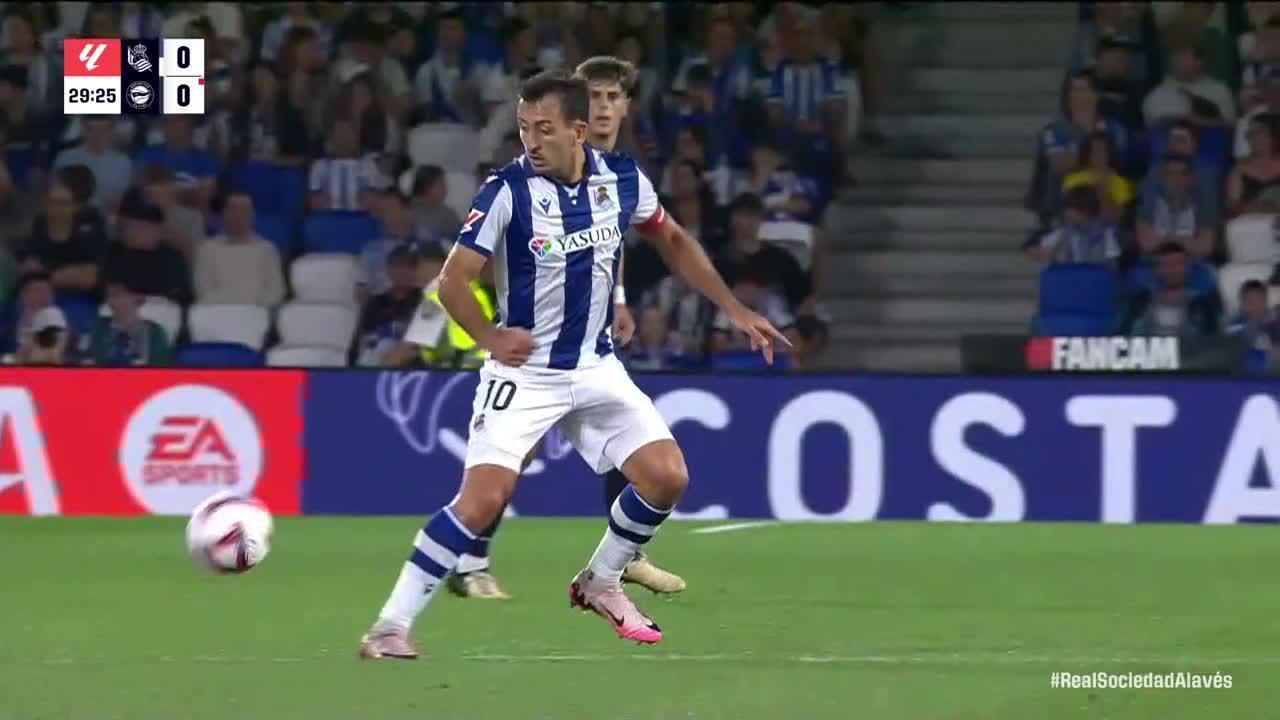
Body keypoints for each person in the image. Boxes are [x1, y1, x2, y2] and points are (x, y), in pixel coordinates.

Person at [358, 70, 787, 659]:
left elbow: (675, 242)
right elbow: (453, 281)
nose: (531, 141)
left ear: (578, 131)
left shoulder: (622, 179)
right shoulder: (506, 190)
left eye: (545, 129)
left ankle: (601, 580)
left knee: (667, 476)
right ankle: (390, 626)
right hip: (525, 372)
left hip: (596, 366)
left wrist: (735, 309)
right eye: (523, 127)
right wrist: (488, 335)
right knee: (482, 501)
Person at [441, 56, 687, 602]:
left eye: (612, 98)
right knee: (513, 457)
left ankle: (623, 557)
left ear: (625, 105)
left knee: (628, 433)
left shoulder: (619, 169)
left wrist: (619, 296)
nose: (603, 108)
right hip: (534, 339)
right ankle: (469, 554)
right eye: (594, 97)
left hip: (591, 337)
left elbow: (606, 236)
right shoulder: (538, 168)